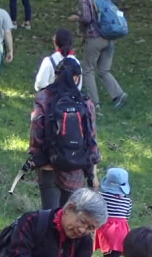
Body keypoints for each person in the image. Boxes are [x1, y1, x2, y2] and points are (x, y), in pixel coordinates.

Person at [28, 56, 99, 210]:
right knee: (68, 216)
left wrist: (36, 155)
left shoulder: (43, 97)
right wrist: (93, 173)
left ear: (56, 75)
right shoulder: (86, 103)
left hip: (48, 164)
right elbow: (91, 138)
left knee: (49, 214)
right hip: (75, 167)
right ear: (77, 78)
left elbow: (35, 128)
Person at [69, 0, 127, 109]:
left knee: (88, 69)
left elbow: (87, 18)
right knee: (104, 70)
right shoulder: (103, 0)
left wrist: (76, 18)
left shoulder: (85, 0)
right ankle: (118, 94)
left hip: (94, 38)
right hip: (110, 39)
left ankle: (93, 102)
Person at [96, 167, 131, 257]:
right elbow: (127, 216)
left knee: (106, 252)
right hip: (120, 230)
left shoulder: (101, 196)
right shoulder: (127, 201)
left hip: (105, 228)